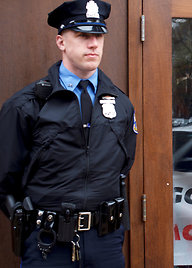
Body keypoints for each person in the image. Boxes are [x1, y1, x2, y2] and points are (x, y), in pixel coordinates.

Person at [0, 0, 137, 267]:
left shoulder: (121, 104)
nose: (94, 44)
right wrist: (24, 218)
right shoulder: (26, 105)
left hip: (105, 241)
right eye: (83, 35)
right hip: (47, 242)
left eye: (98, 35)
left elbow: (124, 164)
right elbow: (5, 179)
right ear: (61, 42)